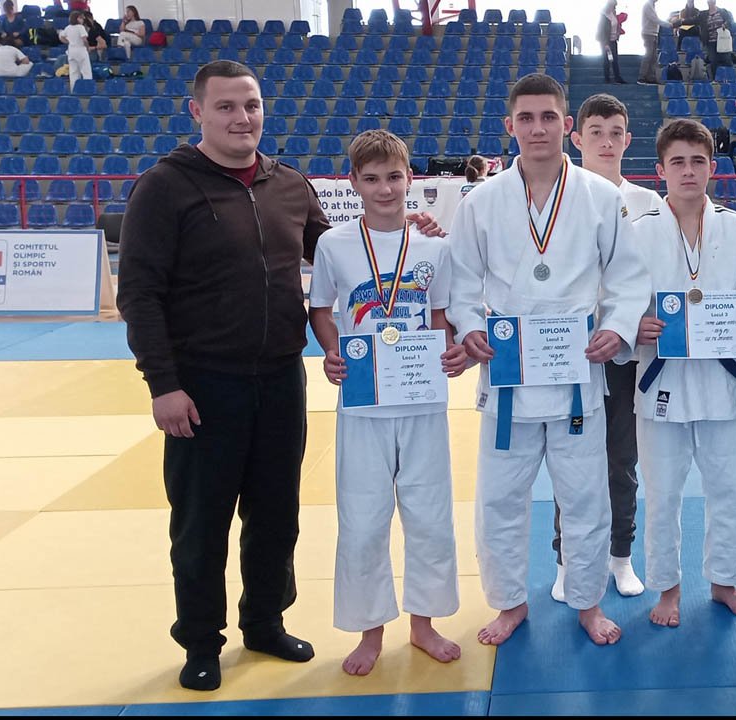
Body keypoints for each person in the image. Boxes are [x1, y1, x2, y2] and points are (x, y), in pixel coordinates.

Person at [117, 60, 333, 691]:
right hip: (202, 385)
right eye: (227, 107)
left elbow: (341, 257)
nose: (243, 118)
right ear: (197, 112)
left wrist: (409, 236)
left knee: (276, 515)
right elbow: (139, 294)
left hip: (281, 378)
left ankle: (264, 622)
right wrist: (163, 383)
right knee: (201, 523)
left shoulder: (290, 184)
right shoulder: (164, 187)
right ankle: (200, 640)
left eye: (252, 105)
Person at [446, 73, 649, 647]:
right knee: (499, 501)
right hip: (508, 377)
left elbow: (628, 278)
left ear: (566, 124)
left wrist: (616, 329)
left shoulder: (602, 197)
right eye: (526, 118)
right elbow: (461, 282)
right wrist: (471, 326)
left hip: (576, 375)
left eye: (549, 117)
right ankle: (510, 603)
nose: (538, 128)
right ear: (509, 125)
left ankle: (587, 602)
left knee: (586, 498)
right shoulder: (480, 201)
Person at [307, 129, 466, 677]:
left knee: (430, 515)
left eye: (394, 177)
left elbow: (440, 314)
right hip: (363, 402)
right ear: (353, 182)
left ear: (409, 179)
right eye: (371, 178)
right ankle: (370, 630)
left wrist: (448, 350)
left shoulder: (434, 247)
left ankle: (423, 624)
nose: (384, 188)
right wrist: (332, 352)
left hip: (421, 399)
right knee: (362, 520)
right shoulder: (333, 245)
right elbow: (321, 309)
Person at [631, 118, 736, 627]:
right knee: (662, 494)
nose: (688, 171)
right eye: (678, 162)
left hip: (721, 382)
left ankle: (724, 582)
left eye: (697, 161)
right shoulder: (639, 232)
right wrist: (635, 325)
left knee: (729, 489)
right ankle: (667, 588)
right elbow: (618, 295)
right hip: (662, 381)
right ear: (660, 170)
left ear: (713, 167)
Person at [552, 92, 664, 604]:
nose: (605, 141)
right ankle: (568, 559)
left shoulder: (650, 205)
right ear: (577, 138)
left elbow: (657, 277)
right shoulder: (556, 198)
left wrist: (640, 321)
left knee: (621, 461)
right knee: (572, 462)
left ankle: (620, 556)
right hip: (568, 352)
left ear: (627, 139)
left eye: (615, 132)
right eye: (595, 132)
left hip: (624, 355)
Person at [699, 0, 734, 82]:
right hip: (711, 42)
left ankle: (731, 79)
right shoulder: (703, 14)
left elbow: (730, 21)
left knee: (727, 60)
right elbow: (693, 20)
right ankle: (715, 79)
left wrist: (725, 24)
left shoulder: (723, 12)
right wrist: (680, 22)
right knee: (713, 61)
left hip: (723, 41)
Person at [57, 10, 92, 91]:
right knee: (86, 71)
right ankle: (88, 89)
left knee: (73, 73)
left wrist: (68, 42)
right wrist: (88, 47)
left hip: (71, 51)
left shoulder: (68, 28)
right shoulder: (80, 27)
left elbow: (61, 37)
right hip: (81, 50)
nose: (83, 20)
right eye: (81, 18)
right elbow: (84, 39)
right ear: (77, 18)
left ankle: (74, 90)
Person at [639, 0, 668, 85]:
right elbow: (654, 19)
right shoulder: (648, 5)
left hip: (654, 33)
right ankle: (642, 77)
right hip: (648, 33)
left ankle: (650, 77)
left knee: (654, 57)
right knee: (648, 55)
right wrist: (668, 24)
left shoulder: (652, 5)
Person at [597, 0, 625, 85]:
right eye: (613, 6)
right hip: (606, 41)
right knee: (607, 59)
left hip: (613, 39)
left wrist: (618, 32)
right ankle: (607, 78)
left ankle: (617, 77)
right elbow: (601, 30)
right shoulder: (603, 15)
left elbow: (616, 24)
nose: (614, 8)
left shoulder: (613, 13)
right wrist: (605, 43)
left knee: (615, 59)